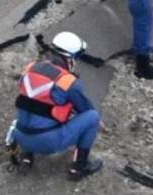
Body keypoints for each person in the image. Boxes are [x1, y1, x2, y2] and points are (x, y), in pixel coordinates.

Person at [10, 32, 103, 180]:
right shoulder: (67, 82)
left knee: (30, 107)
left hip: (19, 135)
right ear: (70, 58)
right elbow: (87, 110)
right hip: (48, 143)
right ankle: (79, 168)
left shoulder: (30, 68)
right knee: (93, 117)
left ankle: (26, 156)